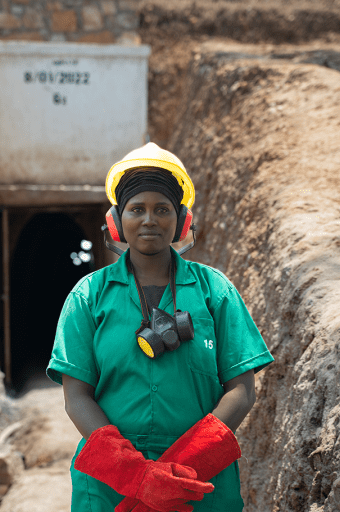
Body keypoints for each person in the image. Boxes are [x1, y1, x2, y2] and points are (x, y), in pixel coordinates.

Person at [46, 143, 274, 512]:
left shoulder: (215, 291)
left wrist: (182, 467)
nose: (149, 219)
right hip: (109, 489)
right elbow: (77, 398)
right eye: (136, 209)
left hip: (198, 485)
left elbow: (241, 390)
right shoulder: (88, 296)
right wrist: (136, 476)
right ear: (116, 221)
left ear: (181, 220)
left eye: (162, 209)